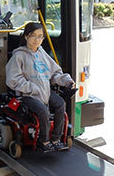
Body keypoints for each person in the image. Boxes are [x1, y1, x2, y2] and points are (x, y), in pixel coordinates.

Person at [6, 22, 75, 152]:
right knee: (43, 111)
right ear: (26, 36)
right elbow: (13, 79)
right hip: (27, 94)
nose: (37, 40)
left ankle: (56, 138)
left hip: (44, 91)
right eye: (34, 36)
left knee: (60, 103)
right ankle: (44, 141)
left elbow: (55, 73)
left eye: (40, 36)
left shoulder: (42, 53)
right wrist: (32, 88)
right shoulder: (19, 55)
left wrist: (67, 81)